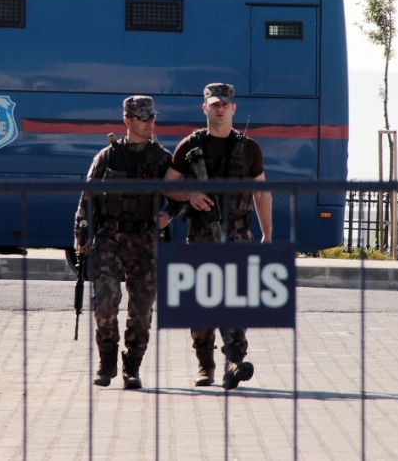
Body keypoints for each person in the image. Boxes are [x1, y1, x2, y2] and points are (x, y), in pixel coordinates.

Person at [164, 83, 273, 390]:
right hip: (201, 235)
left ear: (234, 108)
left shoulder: (250, 148)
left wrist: (267, 234)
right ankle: (204, 365)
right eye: (215, 104)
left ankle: (235, 362)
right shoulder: (189, 146)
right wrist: (189, 195)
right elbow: (168, 185)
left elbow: (261, 194)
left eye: (225, 103)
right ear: (205, 109)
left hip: (238, 236)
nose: (220, 108)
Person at [74, 96, 177, 389]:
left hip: (145, 239)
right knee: (105, 300)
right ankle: (107, 362)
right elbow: (87, 200)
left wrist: (169, 214)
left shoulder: (161, 158)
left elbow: (179, 195)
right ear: (127, 121)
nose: (150, 123)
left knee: (142, 309)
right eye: (144, 118)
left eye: (152, 118)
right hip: (110, 237)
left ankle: (132, 365)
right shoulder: (107, 157)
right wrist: (81, 238)